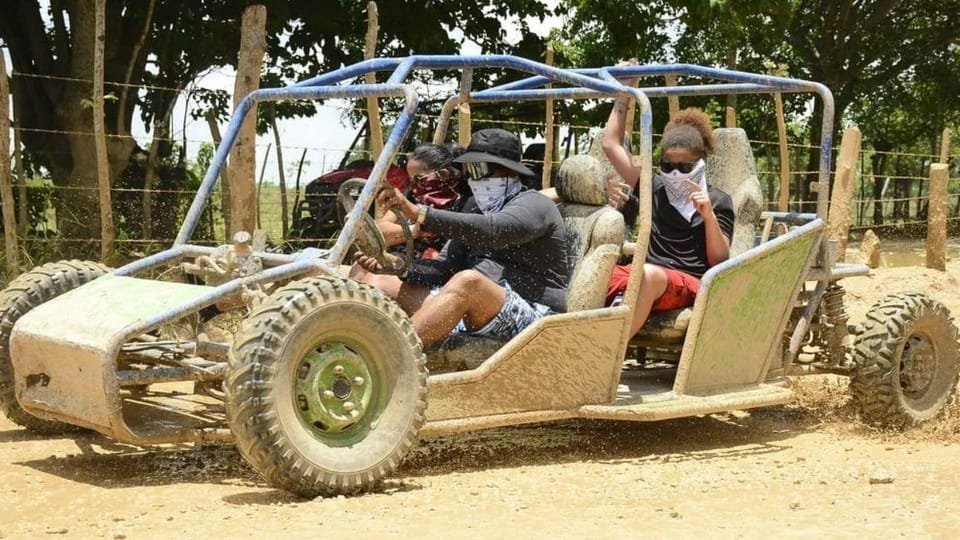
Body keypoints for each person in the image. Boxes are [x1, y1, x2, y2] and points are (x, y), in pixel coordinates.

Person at [357, 128, 569, 348]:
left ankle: (385, 356)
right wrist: (398, 265)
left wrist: (418, 213)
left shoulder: (535, 205)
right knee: (376, 279)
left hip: (536, 316)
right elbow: (444, 266)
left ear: (508, 171)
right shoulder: (477, 210)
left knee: (469, 281)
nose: (472, 180)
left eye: (478, 169)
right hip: (473, 306)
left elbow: (494, 231)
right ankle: (346, 342)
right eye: (468, 171)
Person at [602, 100, 735, 337]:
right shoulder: (653, 188)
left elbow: (719, 260)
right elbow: (611, 145)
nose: (675, 174)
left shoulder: (717, 200)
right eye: (668, 165)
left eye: (684, 167)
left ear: (700, 162)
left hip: (689, 281)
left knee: (647, 275)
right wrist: (624, 94)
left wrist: (708, 217)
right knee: (595, 270)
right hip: (645, 274)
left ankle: (605, 352)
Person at [378, 142, 469, 260]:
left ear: (443, 175)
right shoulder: (412, 197)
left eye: (419, 179)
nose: (415, 187)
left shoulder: (464, 204)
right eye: (411, 181)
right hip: (403, 257)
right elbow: (380, 231)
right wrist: (414, 231)